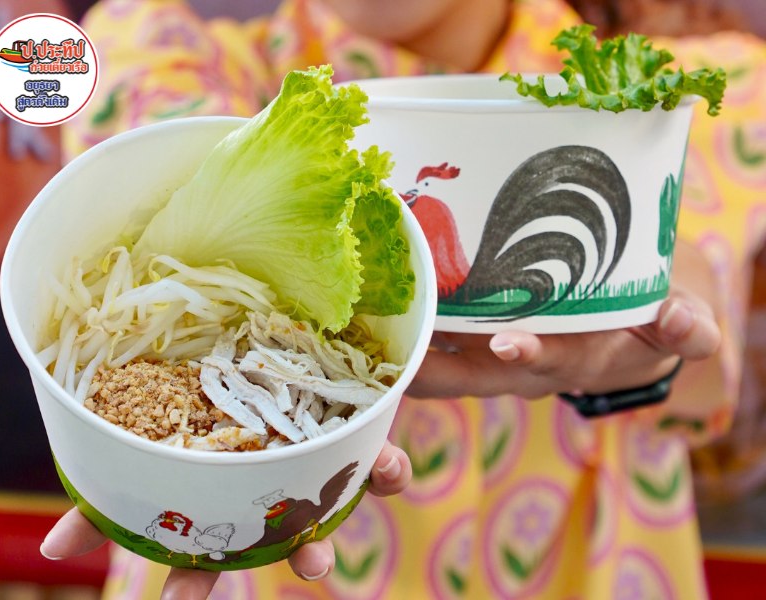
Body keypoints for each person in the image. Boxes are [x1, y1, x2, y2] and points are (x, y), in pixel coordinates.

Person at [43, 0, 766, 598]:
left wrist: (645, 353)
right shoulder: (169, 61)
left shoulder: (676, 89)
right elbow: (148, 259)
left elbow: (700, 334)